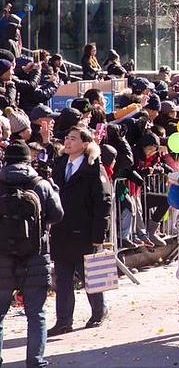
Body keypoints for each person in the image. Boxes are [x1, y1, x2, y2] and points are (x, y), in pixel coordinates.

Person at [0, 140, 64, 368]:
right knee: (36, 313)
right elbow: (57, 215)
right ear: (29, 159)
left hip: (2, 258)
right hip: (35, 255)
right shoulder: (41, 183)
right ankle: (35, 362)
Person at [49, 126, 112, 334]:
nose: (67, 142)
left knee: (91, 276)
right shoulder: (59, 165)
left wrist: (99, 234)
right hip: (61, 231)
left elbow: (103, 203)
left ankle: (99, 311)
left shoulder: (93, 167)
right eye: (66, 138)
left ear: (85, 144)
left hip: (84, 232)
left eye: (73, 139)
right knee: (63, 279)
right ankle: (64, 320)